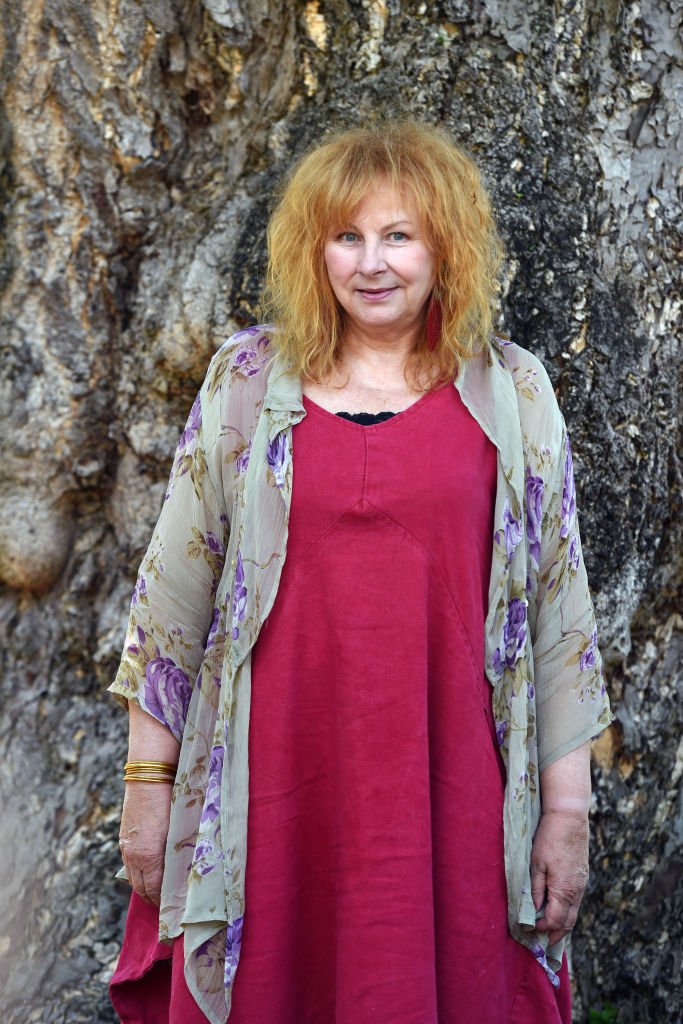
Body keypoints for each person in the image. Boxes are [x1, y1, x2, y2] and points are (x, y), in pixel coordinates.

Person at [108, 120, 613, 1024]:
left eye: (398, 235)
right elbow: (171, 607)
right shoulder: (247, 383)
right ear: (316, 251)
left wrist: (565, 814)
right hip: (272, 792)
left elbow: (558, 617)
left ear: (443, 248)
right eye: (347, 236)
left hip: (454, 791)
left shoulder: (513, 393)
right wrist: (146, 790)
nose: (371, 264)